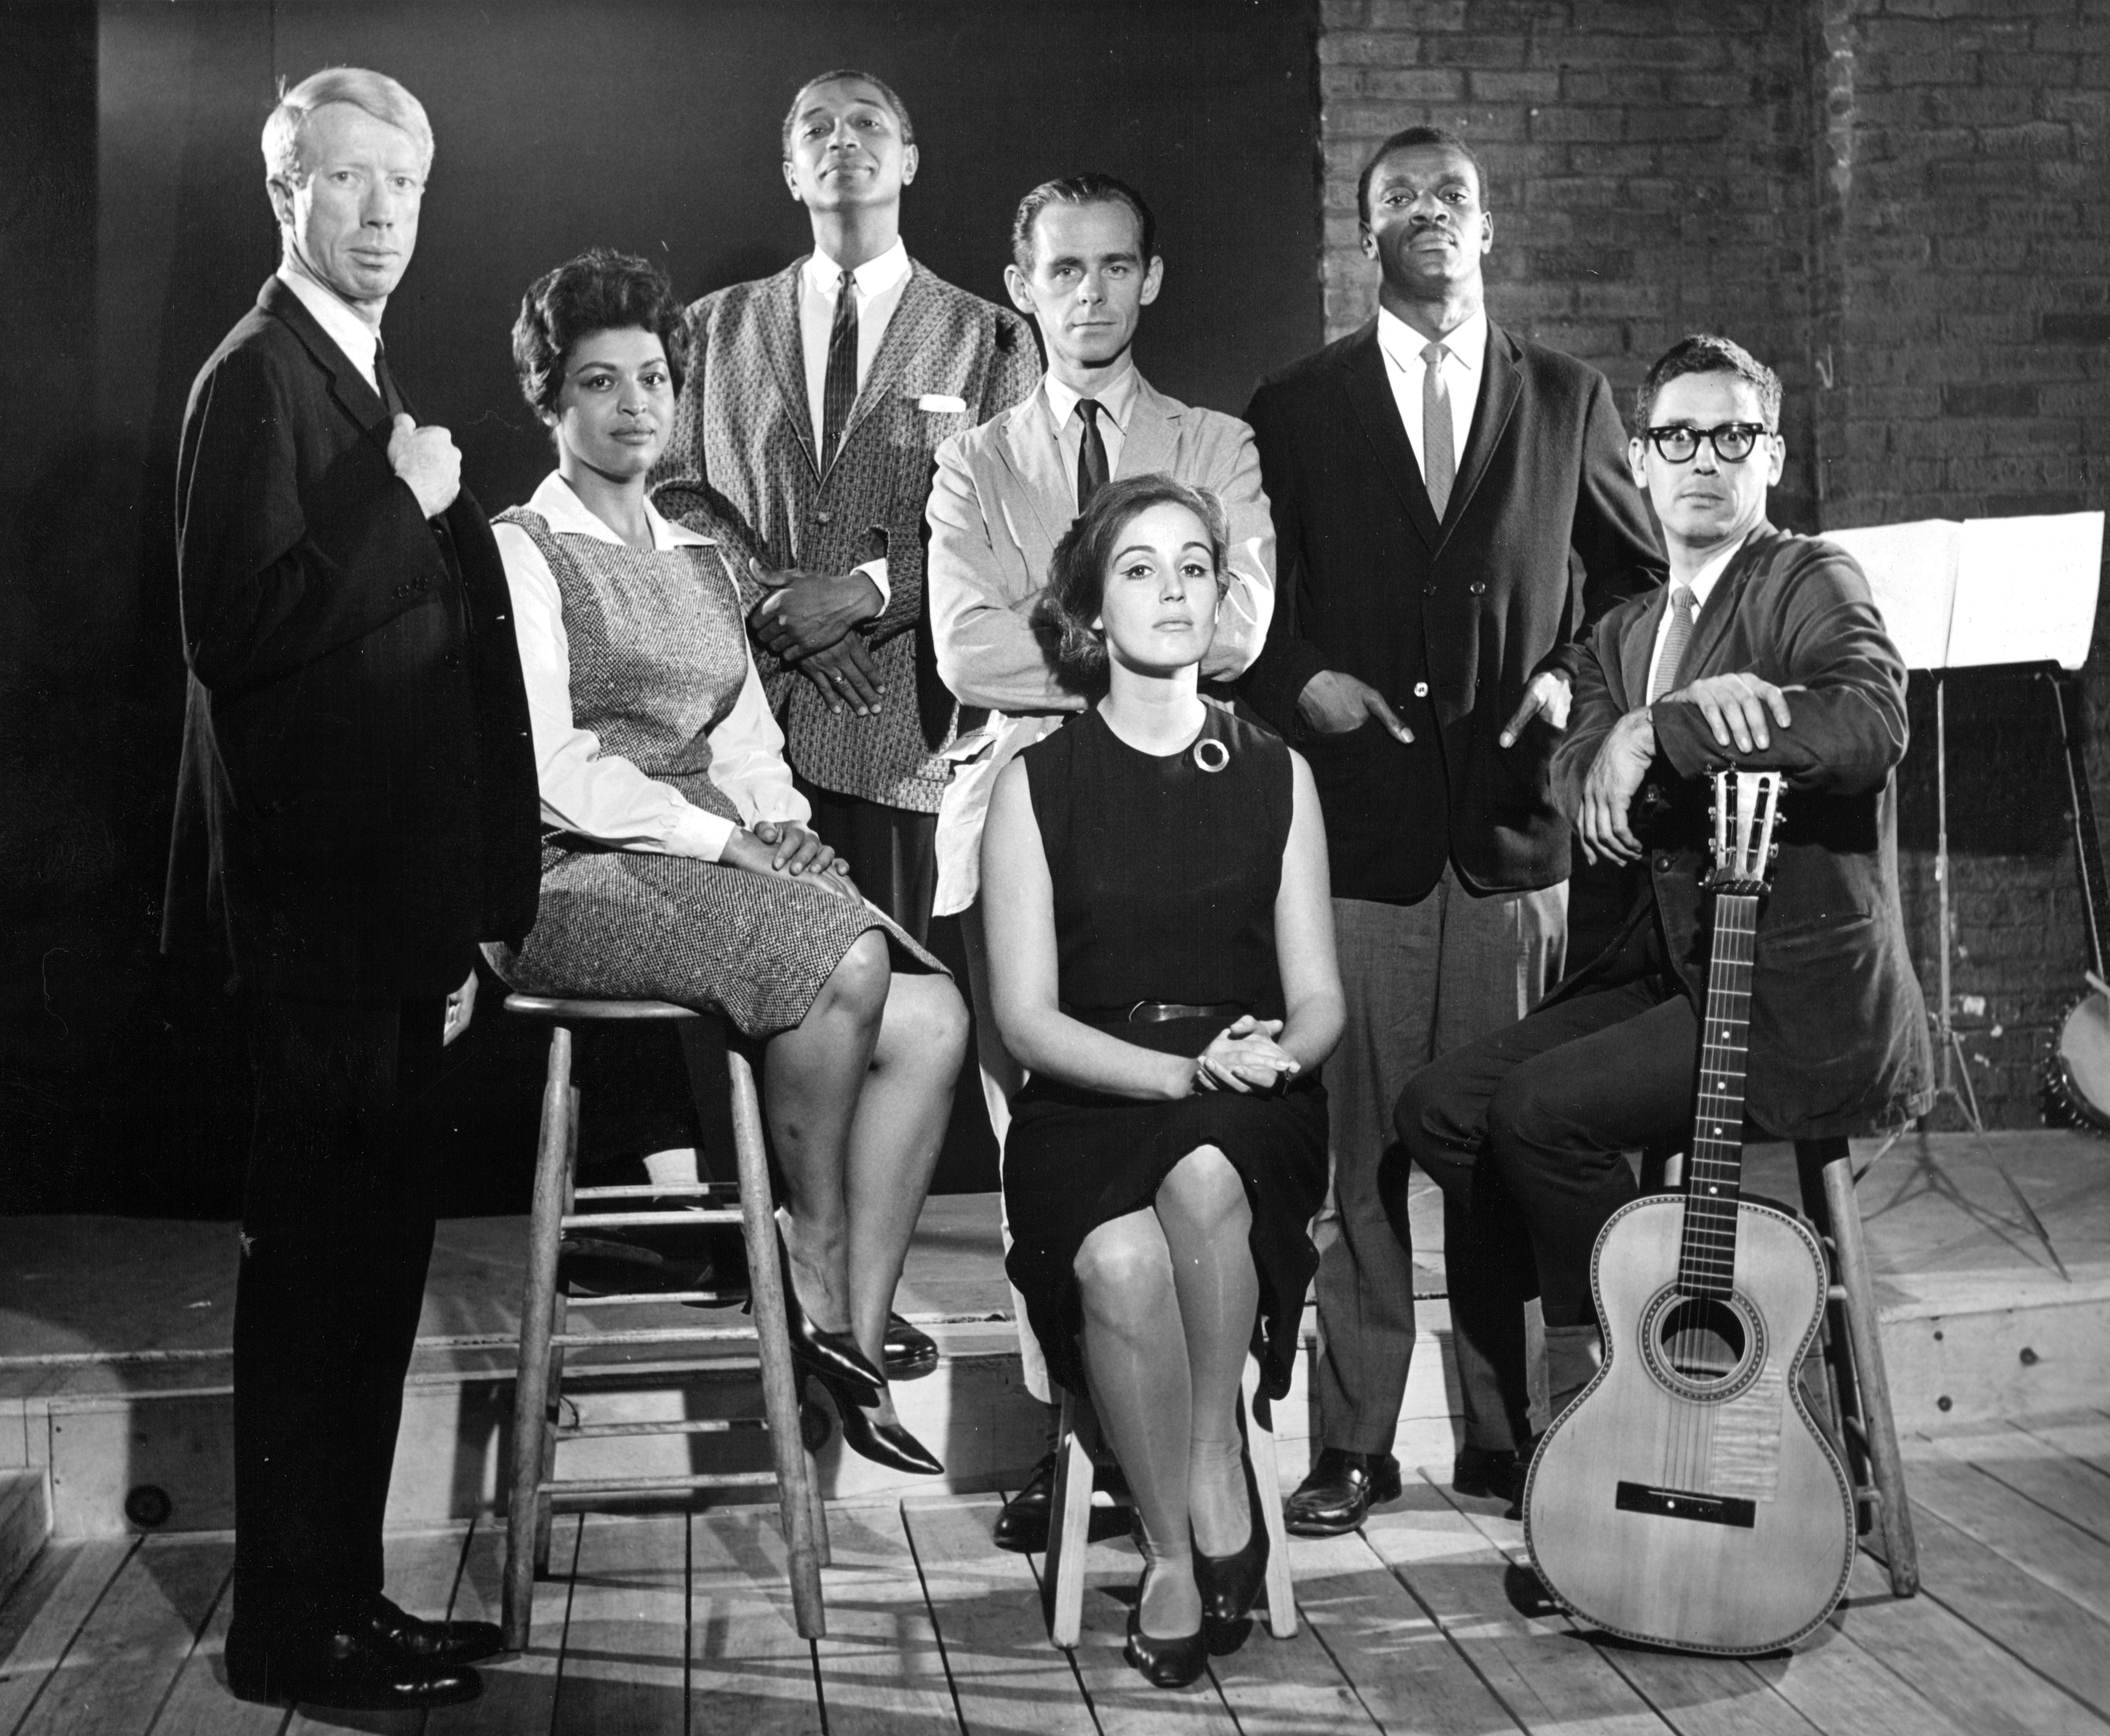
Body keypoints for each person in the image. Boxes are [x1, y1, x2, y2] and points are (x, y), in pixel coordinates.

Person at [160, 69, 538, 1711]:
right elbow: (232, 632)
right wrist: (409, 500)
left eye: (406, 185)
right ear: (285, 195)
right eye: (348, 180)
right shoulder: (257, 375)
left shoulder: (359, 366)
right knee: (318, 1279)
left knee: (371, 1278)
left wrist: (464, 909)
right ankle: (286, 1634)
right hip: (316, 924)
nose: (383, 212)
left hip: (390, 918)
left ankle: (343, 1603)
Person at [1238, 124, 1665, 1532]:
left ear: (1488, 230)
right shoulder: (1295, 406)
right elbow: (1251, 610)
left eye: (1455, 196)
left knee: (1499, 1146)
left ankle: (1506, 1432)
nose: (1430, 212)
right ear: (1367, 234)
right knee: (1354, 1163)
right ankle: (1354, 1444)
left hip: (1513, 841)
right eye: (1401, 197)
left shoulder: (1569, 396)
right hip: (1358, 841)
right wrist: (1304, 682)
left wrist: (1574, 680)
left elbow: (1638, 587)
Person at [485, 248, 971, 1478]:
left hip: (713, 849)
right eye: (599, 381)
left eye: (653, 378)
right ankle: (809, 1264)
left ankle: (850, 1337)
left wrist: (781, 822)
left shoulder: (700, 556)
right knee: (848, 960)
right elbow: (554, 768)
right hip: (570, 872)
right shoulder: (522, 550)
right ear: (550, 398)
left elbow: (746, 740)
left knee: (935, 1019)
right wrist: (728, 839)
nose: (633, 405)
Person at [1392, 333, 1933, 1432]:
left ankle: (1656, 1381)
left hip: (1780, 992)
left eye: (1734, 437)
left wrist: (1667, 729)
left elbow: (1868, 723)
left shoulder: (1808, 578)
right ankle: (1623, 1349)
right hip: (1663, 966)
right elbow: (1583, 776)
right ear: (1639, 461)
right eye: (1678, 437)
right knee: (1441, 1111)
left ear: (1771, 456)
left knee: (1541, 1117)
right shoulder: (1625, 629)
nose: (1705, 460)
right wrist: (1632, 735)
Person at [649, 69, 1038, 1369]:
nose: (842, 142)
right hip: (736, 723)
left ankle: (855, 1291)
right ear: (788, 168)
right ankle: (757, 1267)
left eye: (868, 123)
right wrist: (770, 606)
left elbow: (1005, 520)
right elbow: (670, 493)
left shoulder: (989, 339)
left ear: (910, 158)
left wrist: (864, 595)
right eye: (816, 127)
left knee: (883, 1013)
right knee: (741, 1001)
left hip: (895, 722)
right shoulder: (711, 330)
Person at [925, 173, 1276, 1551]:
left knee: (1191, 1138)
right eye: (1064, 270)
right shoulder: (974, 462)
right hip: (1016, 819)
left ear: (1152, 280)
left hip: (1188, 834)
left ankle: (1191, 1446)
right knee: (1047, 1147)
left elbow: (1238, 630)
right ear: (1022, 287)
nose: (1092, 293)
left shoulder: (1216, 444)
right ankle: (1077, 1433)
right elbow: (967, 651)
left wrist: (1063, 628)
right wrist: (1147, 641)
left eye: (1117, 267)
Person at [982, 475, 1343, 1687]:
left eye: (1195, 566)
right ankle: (1177, 1550)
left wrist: (1268, 1061)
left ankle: (1206, 1463)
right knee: (1124, 1262)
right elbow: (1027, 1022)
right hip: (1093, 1098)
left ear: (1223, 592)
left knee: (1204, 1174)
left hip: (1249, 1099)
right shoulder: (1036, 783)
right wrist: (1181, 1070)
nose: (1175, 590)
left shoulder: (1277, 770)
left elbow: (1321, 1000)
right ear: (1092, 608)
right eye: (1140, 569)